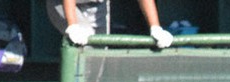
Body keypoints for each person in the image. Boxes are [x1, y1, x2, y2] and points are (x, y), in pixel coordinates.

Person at [45, 0, 173, 48]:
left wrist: (156, 27)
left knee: (98, 58)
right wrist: (73, 25)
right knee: (85, 47)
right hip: (62, 3)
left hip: (97, 4)